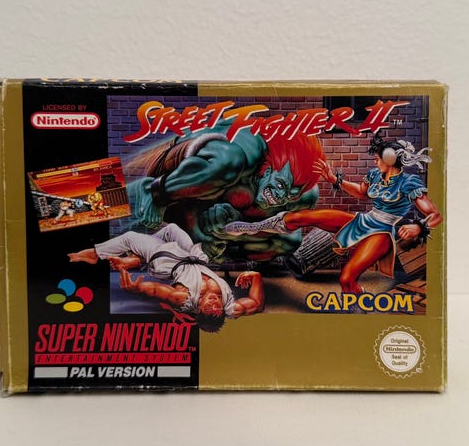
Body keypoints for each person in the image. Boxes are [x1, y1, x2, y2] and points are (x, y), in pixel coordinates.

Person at [224, 136, 443, 294]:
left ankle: (359, 304)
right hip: (364, 220)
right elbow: (361, 192)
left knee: (346, 278)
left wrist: (419, 227)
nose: (375, 161)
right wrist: (335, 180)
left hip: (383, 232)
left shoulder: (409, 182)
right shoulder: (375, 175)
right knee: (301, 217)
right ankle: (252, 227)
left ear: (390, 159)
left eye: (378, 158)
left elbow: (435, 215)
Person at [126, 119, 325, 261]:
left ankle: (217, 246)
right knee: (228, 163)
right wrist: (160, 193)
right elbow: (219, 164)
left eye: (291, 194)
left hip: (200, 210)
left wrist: (222, 235)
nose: (282, 196)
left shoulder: (303, 198)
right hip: (174, 168)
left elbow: (282, 231)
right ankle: (153, 191)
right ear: (268, 170)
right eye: (281, 185)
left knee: (290, 239)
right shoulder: (247, 150)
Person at [68, 224, 264, 332]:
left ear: (198, 309)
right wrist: (255, 277)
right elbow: (256, 304)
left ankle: (95, 254)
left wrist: (137, 289)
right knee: (171, 229)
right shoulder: (229, 307)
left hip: (169, 261)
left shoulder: (183, 298)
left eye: (208, 307)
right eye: (217, 307)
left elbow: (157, 291)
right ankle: (136, 259)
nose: (214, 302)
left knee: (130, 237)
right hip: (194, 255)